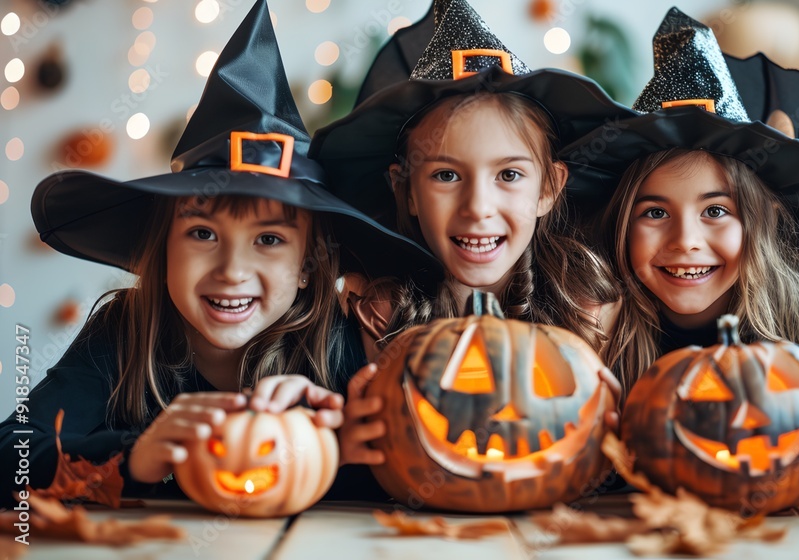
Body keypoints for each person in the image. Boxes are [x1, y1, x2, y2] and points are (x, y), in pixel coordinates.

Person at [0, 0, 440, 507]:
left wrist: (334, 450)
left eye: (269, 240)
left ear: (308, 266)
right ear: (163, 248)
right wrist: (134, 456)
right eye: (203, 234)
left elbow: (418, 473)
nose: (232, 271)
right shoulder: (123, 334)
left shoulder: (343, 345)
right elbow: (12, 453)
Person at [562, 8, 799, 489]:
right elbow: (562, 462)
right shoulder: (600, 303)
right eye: (654, 213)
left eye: (716, 211)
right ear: (621, 224)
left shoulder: (794, 290)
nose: (685, 242)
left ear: (758, 224)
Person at [310, 0, 629, 469]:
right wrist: (336, 450)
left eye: (509, 175)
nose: (478, 207)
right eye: (445, 176)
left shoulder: (592, 311)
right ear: (408, 191)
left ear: (549, 189)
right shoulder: (373, 314)